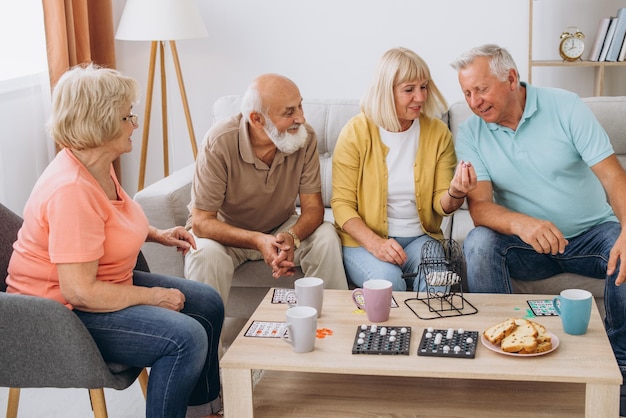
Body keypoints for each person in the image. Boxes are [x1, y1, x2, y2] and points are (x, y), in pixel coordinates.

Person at [5, 64, 224, 418]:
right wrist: (155, 297)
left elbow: (107, 222)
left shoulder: (94, 164)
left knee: (206, 302)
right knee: (184, 339)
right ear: (100, 123)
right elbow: (80, 291)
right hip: (61, 316)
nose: (134, 124)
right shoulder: (70, 190)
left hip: (100, 284)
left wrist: (156, 234)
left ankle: (203, 409)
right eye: (127, 117)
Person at [451, 43, 626, 413]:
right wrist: (522, 223)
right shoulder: (471, 132)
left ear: (511, 79)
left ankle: (620, 366)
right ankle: (502, 354)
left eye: (481, 89)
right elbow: (479, 208)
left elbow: (613, 178)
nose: (474, 101)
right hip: (526, 246)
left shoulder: (565, 107)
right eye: (467, 93)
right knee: (479, 242)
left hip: (592, 236)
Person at [184, 73, 348, 304]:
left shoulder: (305, 137)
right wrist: (258, 240)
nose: (301, 118)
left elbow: (313, 208)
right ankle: (207, 340)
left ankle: (336, 329)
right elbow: (201, 222)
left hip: (280, 228)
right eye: (289, 112)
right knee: (203, 255)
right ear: (257, 119)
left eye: (300, 106)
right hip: (225, 234)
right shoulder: (219, 141)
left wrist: (291, 236)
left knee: (326, 237)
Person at [330, 47, 477, 291]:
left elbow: (442, 205)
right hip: (364, 242)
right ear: (386, 92)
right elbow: (341, 204)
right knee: (389, 284)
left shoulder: (438, 133)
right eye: (409, 90)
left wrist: (456, 192)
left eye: (424, 87)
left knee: (437, 286)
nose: (420, 97)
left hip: (420, 239)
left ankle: (430, 331)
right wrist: (376, 243)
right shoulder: (356, 132)